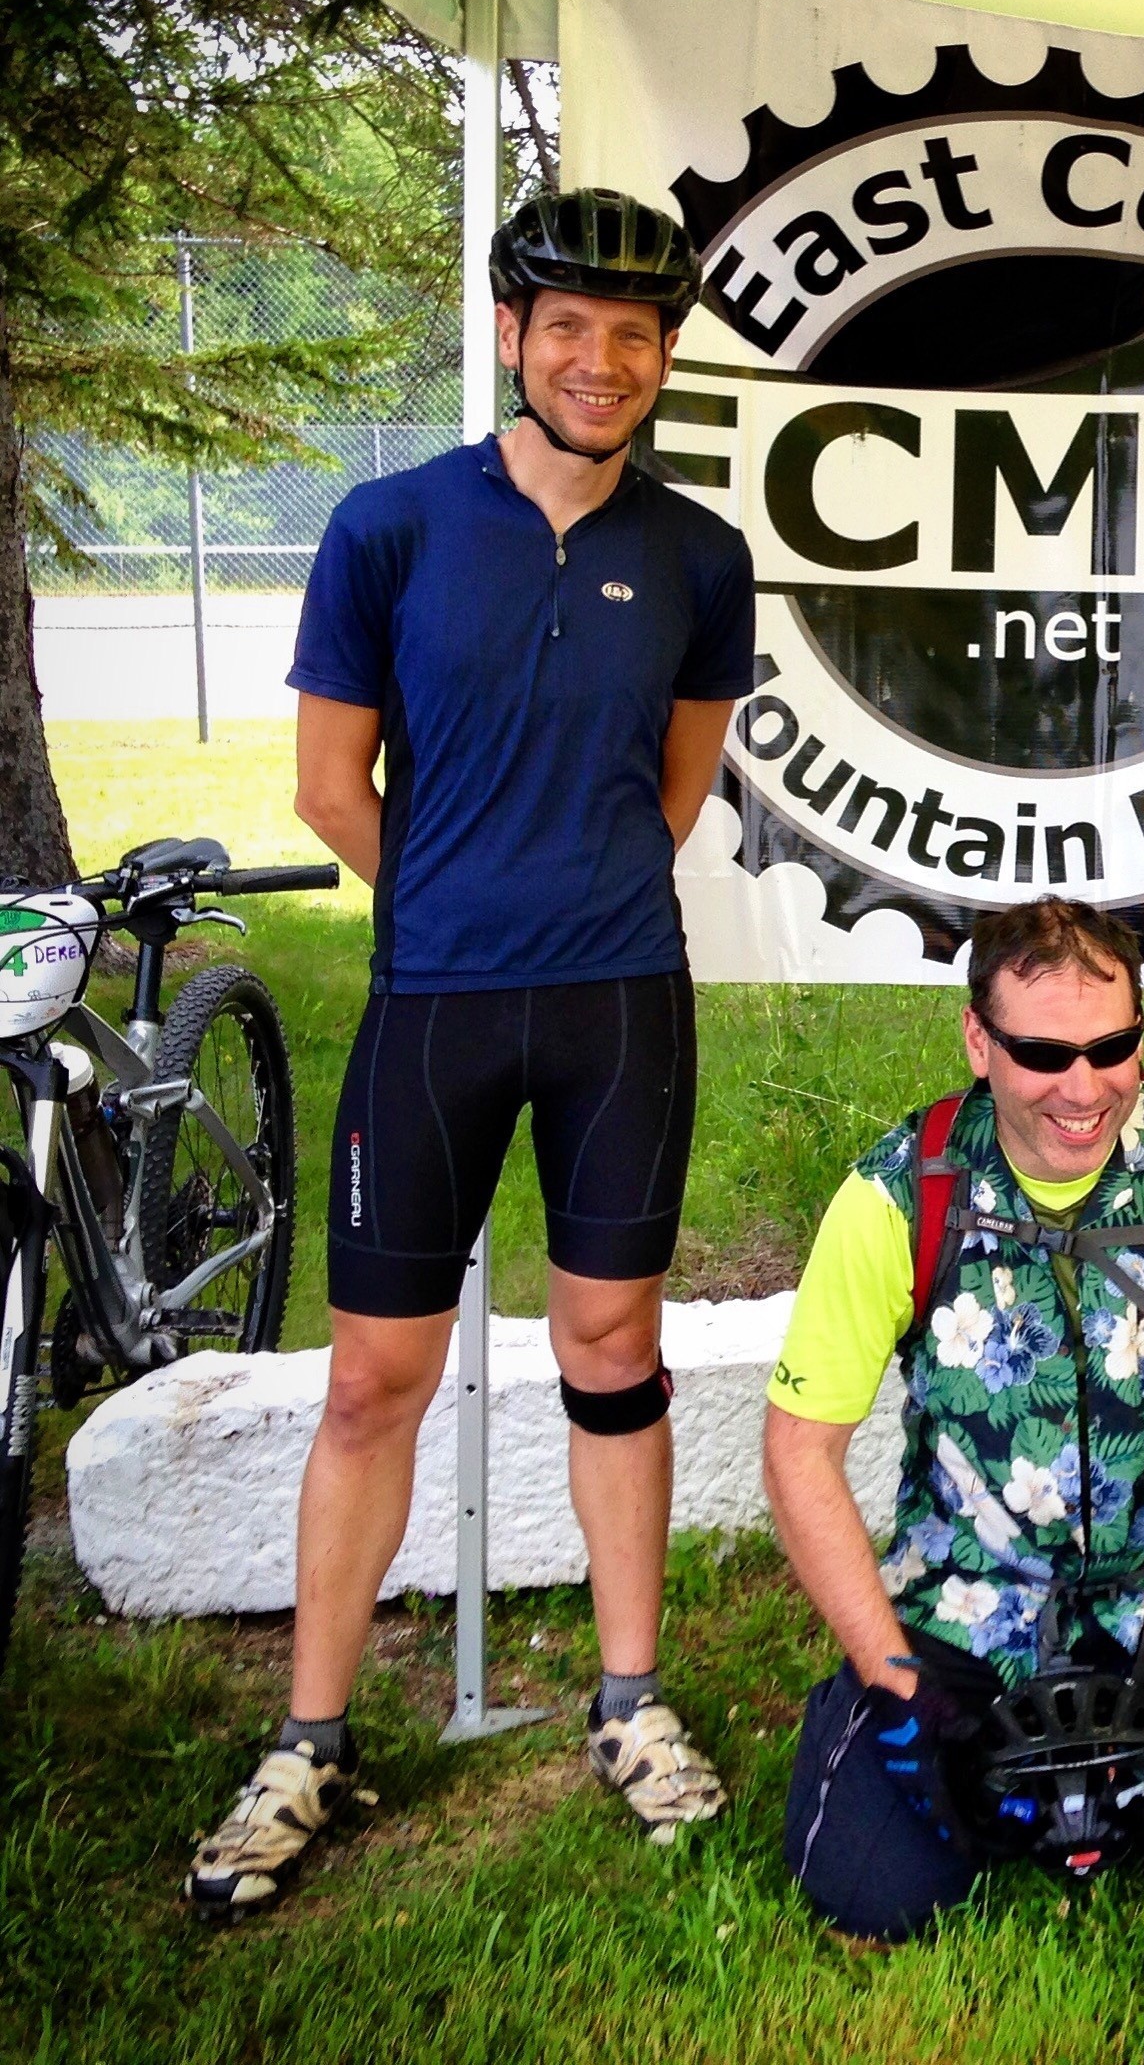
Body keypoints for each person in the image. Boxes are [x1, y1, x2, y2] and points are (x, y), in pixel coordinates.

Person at [184, 190, 755, 1917]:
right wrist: (452, 903)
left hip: (618, 1002)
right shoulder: (391, 525)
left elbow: (675, 787)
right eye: (567, 326)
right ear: (512, 333)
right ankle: (309, 1738)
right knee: (375, 1377)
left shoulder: (699, 551)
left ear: (664, 357)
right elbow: (326, 783)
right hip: (432, 1001)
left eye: (634, 333)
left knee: (613, 1346)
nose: (600, 359)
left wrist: (565, 899)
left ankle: (630, 1700)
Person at [764, 896, 1144, 1943]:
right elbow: (798, 1450)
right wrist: (891, 1677)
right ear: (977, 1039)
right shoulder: (902, 1191)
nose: (1084, 1089)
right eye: (1042, 1053)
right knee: (868, 1902)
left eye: (1112, 1047)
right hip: (968, 1601)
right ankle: (870, 1718)